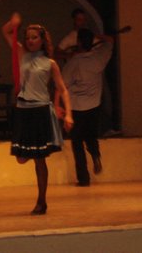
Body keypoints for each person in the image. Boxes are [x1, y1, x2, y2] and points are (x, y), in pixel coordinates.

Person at [1, 12, 73, 215]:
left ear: (42, 40)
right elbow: (5, 31)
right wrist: (13, 22)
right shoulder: (20, 54)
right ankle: (41, 199)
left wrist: (68, 114)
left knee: (39, 160)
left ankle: (41, 201)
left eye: (34, 37)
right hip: (23, 110)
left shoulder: (50, 63)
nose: (30, 41)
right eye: (28, 37)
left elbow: (63, 89)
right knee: (21, 157)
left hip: (40, 110)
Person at [56, 28, 113, 186]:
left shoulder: (74, 62)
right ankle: (95, 154)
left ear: (79, 42)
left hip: (76, 107)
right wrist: (97, 36)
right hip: (94, 104)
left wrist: (58, 104)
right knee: (91, 136)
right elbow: (110, 40)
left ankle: (83, 178)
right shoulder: (99, 57)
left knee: (77, 142)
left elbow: (62, 85)